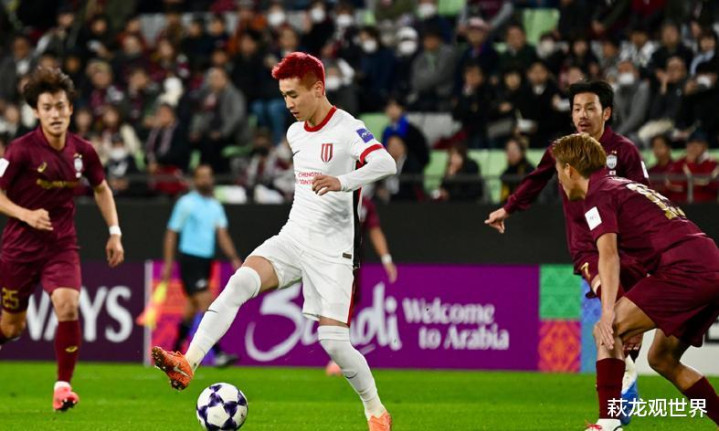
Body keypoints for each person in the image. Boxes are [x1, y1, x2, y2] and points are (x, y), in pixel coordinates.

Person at [152, 52, 396, 431]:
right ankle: (189, 361)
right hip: (293, 237)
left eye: (294, 95)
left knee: (333, 342)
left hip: (334, 250)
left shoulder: (348, 128)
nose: (288, 104)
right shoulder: (295, 133)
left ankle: (376, 411)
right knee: (239, 283)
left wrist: (343, 181)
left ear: (319, 89)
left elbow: (385, 163)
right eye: (284, 96)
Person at [485, 80, 648, 425]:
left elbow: (645, 198)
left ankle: (623, 383)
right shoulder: (563, 150)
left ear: (606, 112)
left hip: (626, 248)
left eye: (590, 108)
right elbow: (536, 179)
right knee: (612, 303)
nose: (582, 115)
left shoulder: (625, 152)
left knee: (627, 322)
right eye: (576, 109)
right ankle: (621, 390)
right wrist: (508, 209)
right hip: (588, 248)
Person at [551, 133, 719, 431]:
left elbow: (609, 256)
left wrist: (608, 312)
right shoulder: (622, 185)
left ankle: (608, 422)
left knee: (608, 330)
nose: (559, 181)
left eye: (558, 171)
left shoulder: (597, 195)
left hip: (686, 270)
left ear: (570, 169)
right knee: (662, 359)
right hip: (709, 263)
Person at [0, 67, 124, 411]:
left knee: (68, 305)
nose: (55, 114)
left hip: (61, 245)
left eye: (60, 106)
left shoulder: (84, 151)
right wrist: (26, 214)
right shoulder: (19, 150)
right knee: (11, 327)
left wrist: (115, 233)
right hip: (19, 249)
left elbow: (101, 188)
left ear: (70, 108)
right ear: (36, 112)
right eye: (47, 108)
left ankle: (63, 387)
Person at [161, 165, 243, 367]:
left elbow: (222, 234)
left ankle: (173, 354)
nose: (206, 180)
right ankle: (218, 353)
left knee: (191, 308)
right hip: (190, 258)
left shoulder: (215, 206)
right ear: (195, 180)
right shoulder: (186, 203)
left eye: (208, 176)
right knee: (207, 303)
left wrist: (234, 258)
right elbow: (172, 232)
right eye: (202, 177)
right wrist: (168, 262)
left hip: (206, 261)